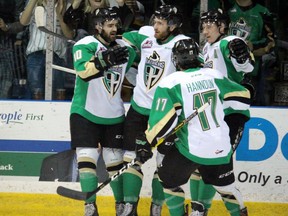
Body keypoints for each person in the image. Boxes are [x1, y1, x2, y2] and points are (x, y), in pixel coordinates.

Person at [135, 38, 250, 216]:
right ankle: (240, 211)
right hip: (220, 146)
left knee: (168, 178)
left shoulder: (170, 83)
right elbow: (243, 98)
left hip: (192, 148)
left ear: (175, 60)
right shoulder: (214, 75)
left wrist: (147, 141)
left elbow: (162, 125)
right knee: (225, 187)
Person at [120, 4, 190, 216]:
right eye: (155, 21)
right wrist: (120, 49)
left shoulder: (182, 44)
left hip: (166, 115)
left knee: (164, 163)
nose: (155, 26)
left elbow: (198, 68)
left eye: (160, 23)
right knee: (131, 158)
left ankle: (156, 208)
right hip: (138, 109)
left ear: (174, 25)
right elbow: (123, 39)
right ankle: (130, 207)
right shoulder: (145, 34)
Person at [70, 7, 136, 216]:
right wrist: (105, 59)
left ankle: (121, 206)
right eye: (109, 25)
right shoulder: (85, 45)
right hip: (85, 111)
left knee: (114, 162)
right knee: (87, 156)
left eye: (116, 24)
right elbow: (84, 72)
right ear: (98, 26)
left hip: (114, 114)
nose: (114, 28)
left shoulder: (126, 48)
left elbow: (137, 72)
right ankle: (90, 206)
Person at [189, 8, 255, 216]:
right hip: (211, 115)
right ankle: (199, 209)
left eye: (210, 25)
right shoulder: (205, 50)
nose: (205, 30)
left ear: (222, 26)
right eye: (203, 26)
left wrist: (243, 58)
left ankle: (212, 210)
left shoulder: (230, 41)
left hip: (231, 113)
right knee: (201, 163)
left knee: (216, 166)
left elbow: (247, 67)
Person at [20, 0, 74, 100]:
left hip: (57, 55)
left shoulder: (66, 6)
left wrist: (59, 14)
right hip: (36, 54)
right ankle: (37, 115)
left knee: (58, 92)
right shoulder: (34, 4)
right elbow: (23, 21)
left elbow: (69, 35)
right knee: (36, 91)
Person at [228, 0, 271, 105]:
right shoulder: (227, 11)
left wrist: (253, 46)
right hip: (229, 72)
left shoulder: (263, 12)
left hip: (253, 72)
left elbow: (270, 42)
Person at [0, 0, 25, 99]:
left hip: (7, 44)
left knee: (6, 83)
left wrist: (6, 27)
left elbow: (22, 23)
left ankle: (4, 112)